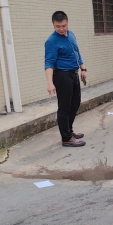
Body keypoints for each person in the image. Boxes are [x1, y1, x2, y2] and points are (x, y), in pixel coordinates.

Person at [45, 11, 87, 147]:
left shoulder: (71, 34)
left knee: (75, 103)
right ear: (53, 25)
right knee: (64, 107)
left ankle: (69, 130)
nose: (61, 29)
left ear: (67, 23)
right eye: (57, 26)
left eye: (63, 26)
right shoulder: (51, 41)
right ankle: (66, 138)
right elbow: (49, 63)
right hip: (62, 76)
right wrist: (50, 83)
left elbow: (77, 52)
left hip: (74, 74)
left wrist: (83, 68)